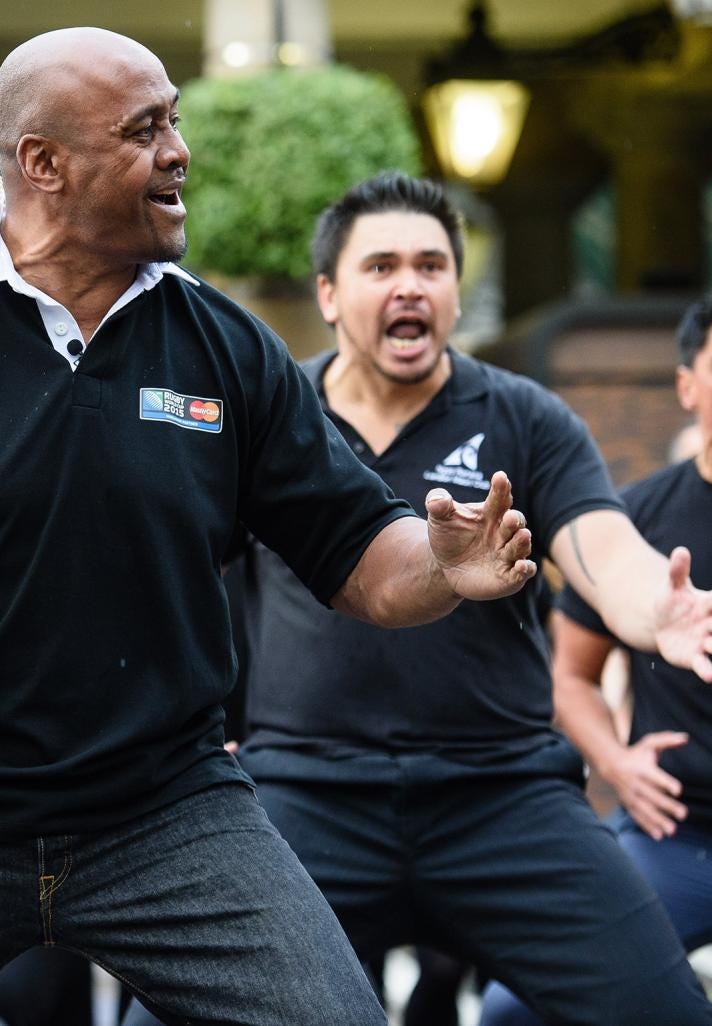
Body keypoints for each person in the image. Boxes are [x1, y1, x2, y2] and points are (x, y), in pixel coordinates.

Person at [0, 29, 540, 1026]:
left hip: (169, 814)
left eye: (174, 120)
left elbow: (365, 561)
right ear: (41, 164)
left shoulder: (222, 346)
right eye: (144, 130)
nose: (179, 150)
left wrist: (443, 566)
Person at [215, 173, 712, 1026]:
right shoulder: (271, 415)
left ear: (453, 289)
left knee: (663, 1011)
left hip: (503, 793)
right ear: (331, 295)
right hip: (307, 794)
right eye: (381, 267)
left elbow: (600, 544)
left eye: (432, 265)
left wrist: (653, 610)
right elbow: (192, 579)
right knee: (173, 1012)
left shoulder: (526, 416)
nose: (410, 284)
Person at [477, 297, 712, 1022]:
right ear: (686, 385)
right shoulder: (635, 518)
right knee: (514, 1006)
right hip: (680, 834)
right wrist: (616, 763)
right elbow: (569, 677)